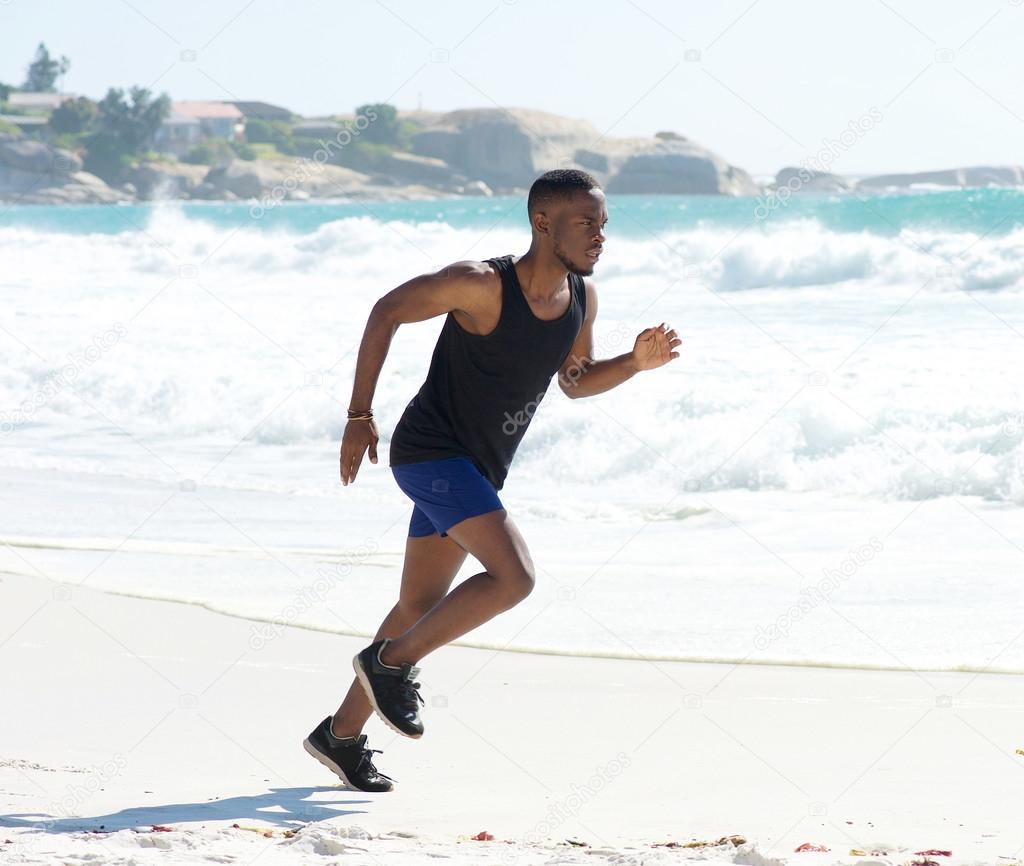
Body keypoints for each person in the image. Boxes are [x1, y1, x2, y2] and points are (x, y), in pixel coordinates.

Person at [303, 169, 680, 791]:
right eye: (586, 222)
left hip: (477, 469)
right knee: (515, 577)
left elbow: (576, 380)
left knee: (419, 606)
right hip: (430, 454)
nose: (599, 236)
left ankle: (339, 736)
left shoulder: (582, 297)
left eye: (604, 224)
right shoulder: (480, 284)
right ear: (543, 223)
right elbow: (386, 311)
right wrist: (359, 415)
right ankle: (390, 664)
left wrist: (635, 364)